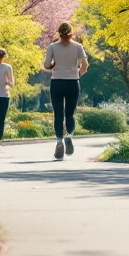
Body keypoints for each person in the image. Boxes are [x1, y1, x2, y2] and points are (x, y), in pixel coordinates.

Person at [43, 22, 88, 160]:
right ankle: (68, 135)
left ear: (59, 33)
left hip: (57, 82)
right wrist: (77, 74)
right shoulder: (77, 46)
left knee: (58, 114)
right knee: (69, 114)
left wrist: (53, 65)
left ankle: (59, 141)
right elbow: (85, 65)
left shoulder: (52, 47)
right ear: (71, 33)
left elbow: (46, 65)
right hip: (72, 82)